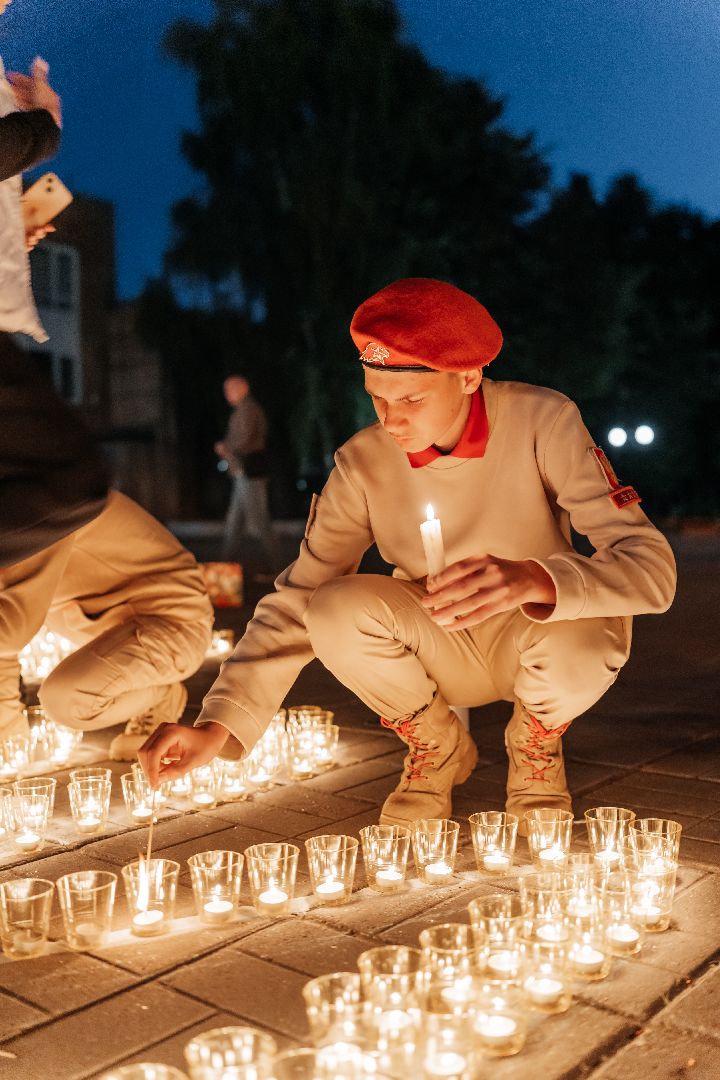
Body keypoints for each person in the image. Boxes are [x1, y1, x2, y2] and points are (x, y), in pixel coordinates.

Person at [140, 279, 676, 829]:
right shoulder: (363, 460)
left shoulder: (543, 420)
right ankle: (437, 747)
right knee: (330, 606)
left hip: (534, 638)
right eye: (378, 397)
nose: (392, 420)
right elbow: (297, 596)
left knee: (592, 613)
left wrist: (537, 579)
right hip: (437, 644)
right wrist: (219, 725)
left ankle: (536, 748)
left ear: (468, 376)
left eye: (413, 400)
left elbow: (649, 568)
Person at [0, 490, 214, 756]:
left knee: (65, 700)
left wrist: (9, 745)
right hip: (110, 625)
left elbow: (10, 629)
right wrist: (8, 742)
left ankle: (159, 693)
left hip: (174, 628)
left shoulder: (44, 500)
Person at [215, 374, 275, 570]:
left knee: (259, 521)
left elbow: (246, 439)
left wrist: (226, 447)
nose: (227, 394)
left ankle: (283, 567)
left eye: (230, 389)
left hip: (249, 472)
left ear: (243, 389)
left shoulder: (248, 410)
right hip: (242, 472)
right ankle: (223, 567)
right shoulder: (245, 409)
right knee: (235, 522)